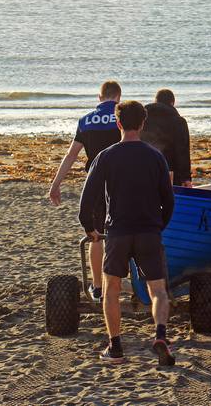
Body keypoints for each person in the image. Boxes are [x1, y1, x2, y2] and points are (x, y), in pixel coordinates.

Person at [79, 100, 176, 365]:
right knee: (157, 290)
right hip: (148, 231)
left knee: (111, 289)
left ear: (118, 124)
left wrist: (91, 229)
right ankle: (160, 335)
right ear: (143, 124)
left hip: (118, 231)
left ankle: (116, 347)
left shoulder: (106, 156)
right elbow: (169, 200)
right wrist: (159, 225)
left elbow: (87, 201)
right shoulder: (155, 156)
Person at [49, 80, 122, 302]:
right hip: (122, 179)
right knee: (126, 229)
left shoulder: (86, 120)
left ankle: (98, 287)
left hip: (95, 181)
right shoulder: (123, 116)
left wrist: (56, 183)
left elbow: (72, 155)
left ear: (99, 98)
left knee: (96, 235)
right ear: (118, 97)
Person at [141, 88, 192, 187]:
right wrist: (185, 178)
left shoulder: (142, 118)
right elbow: (182, 151)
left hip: (144, 169)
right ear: (172, 102)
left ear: (155, 101)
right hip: (169, 172)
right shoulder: (179, 122)